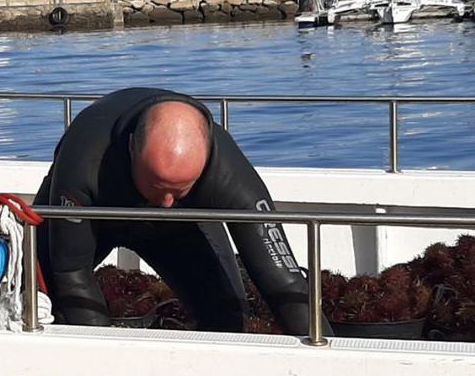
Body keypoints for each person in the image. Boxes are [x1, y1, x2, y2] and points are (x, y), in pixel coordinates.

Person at [33, 87, 330, 336]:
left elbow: (283, 280)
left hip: (175, 229)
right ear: (132, 147)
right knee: (36, 300)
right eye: (157, 184)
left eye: (180, 189)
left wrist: (331, 356)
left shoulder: (227, 170)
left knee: (227, 315)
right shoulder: (85, 161)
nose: (165, 202)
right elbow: (70, 271)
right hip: (92, 220)